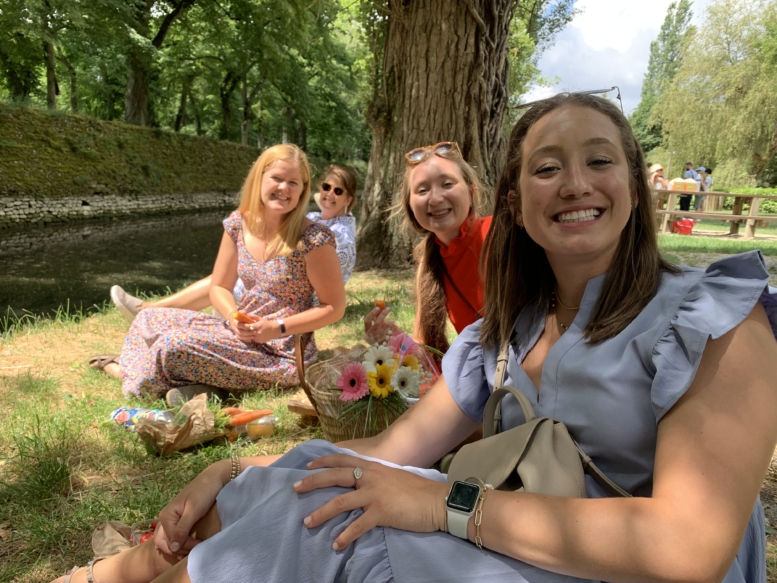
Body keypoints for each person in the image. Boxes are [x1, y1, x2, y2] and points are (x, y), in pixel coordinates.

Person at [56, 94, 777, 583]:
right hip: (520, 526)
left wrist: (440, 505)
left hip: (622, 565)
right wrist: (234, 468)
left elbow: (689, 545)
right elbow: (387, 452)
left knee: (343, 527)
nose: (573, 183)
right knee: (315, 466)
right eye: (546, 168)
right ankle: (132, 570)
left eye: (598, 160)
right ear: (518, 205)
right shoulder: (508, 329)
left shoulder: (714, 318)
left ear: (634, 187)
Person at [89, 144, 346, 399]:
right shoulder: (238, 223)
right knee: (148, 318)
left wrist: (277, 327)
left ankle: (129, 377)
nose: (284, 188)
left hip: (281, 353)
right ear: (259, 179)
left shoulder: (313, 239)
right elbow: (220, 286)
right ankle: (193, 387)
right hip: (237, 334)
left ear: (302, 191)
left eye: (293, 183)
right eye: (277, 178)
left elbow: (334, 307)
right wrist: (232, 315)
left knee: (173, 345)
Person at [109, 164, 359, 323]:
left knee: (226, 281)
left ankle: (147, 310)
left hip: (297, 300)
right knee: (225, 278)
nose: (329, 194)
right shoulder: (313, 218)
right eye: (327, 187)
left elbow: (325, 287)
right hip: (276, 283)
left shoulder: (341, 237)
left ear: (349, 199)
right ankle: (150, 312)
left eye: (338, 191)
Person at [364, 142, 491, 354]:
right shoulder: (429, 263)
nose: (435, 198)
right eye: (422, 190)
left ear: (471, 193)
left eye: (447, 184)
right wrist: (389, 337)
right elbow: (425, 352)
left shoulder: (500, 234)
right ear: (411, 207)